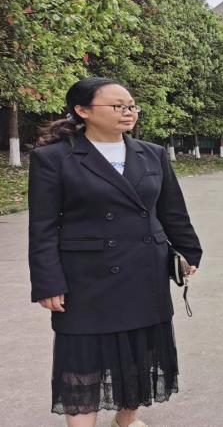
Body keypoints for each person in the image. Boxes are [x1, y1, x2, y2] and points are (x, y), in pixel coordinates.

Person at [28, 77, 202, 427]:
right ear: (82, 110)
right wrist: (48, 282)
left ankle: (126, 419)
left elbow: (172, 210)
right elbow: (43, 227)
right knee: (82, 358)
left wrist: (189, 252)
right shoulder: (53, 158)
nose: (128, 112)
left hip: (144, 269)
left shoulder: (151, 153)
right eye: (118, 106)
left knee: (140, 351)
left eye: (132, 106)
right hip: (85, 276)